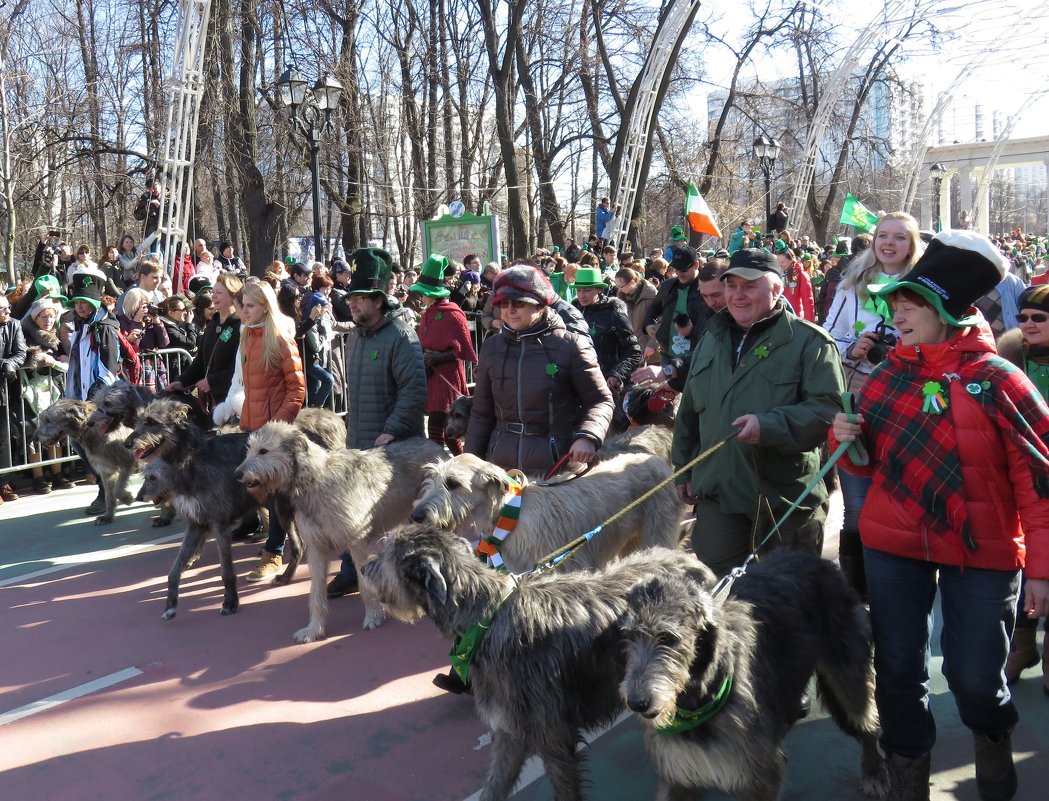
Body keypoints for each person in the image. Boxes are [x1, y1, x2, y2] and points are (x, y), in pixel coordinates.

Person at [829, 230, 1049, 801]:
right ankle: (907, 779)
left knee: (976, 678)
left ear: (945, 312)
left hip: (985, 551)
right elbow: (864, 469)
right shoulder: (885, 378)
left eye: (908, 307)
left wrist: (1043, 572)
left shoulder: (1002, 381)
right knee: (899, 672)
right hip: (893, 546)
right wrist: (846, 441)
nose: (895, 317)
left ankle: (993, 746)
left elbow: (1040, 486)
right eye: (894, 306)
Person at [672, 248, 846, 578]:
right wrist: (683, 466)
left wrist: (769, 426)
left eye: (749, 286)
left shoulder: (811, 343)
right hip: (719, 496)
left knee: (787, 604)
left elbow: (827, 411)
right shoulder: (711, 337)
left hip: (784, 500)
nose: (738, 295)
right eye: (732, 285)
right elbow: (691, 408)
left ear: (777, 290)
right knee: (724, 603)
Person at [822, 212, 924, 596]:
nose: (889, 243)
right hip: (860, 393)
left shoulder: (924, 286)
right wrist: (855, 347)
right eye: (883, 235)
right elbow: (829, 338)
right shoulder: (852, 284)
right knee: (858, 506)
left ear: (912, 245)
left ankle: (900, 587)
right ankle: (858, 594)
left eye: (900, 237)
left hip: (909, 396)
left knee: (902, 501)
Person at [327, 247, 427, 598]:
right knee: (358, 514)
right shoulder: (357, 335)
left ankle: (406, 580)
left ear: (379, 300)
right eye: (351, 297)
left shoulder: (401, 336)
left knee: (397, 521)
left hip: (393, 450)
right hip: (360, 446)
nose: (351, 303)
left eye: (360, 298)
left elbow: (414, 391)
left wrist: (392, 431)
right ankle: (354, 570)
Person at [464, 265, 613, 475]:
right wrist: (469, 463)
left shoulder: (570, 345)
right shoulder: (491, 347)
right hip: (500, 467)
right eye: (504, 304)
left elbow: (600, 400)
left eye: (519, 303)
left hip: (557, 468)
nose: (510, 310)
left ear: (541, 305)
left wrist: (588, 436)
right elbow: (481, 413)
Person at [996, 285, 1049, 693]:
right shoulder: (1007, 365)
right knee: (1023, 561)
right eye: (1024, 317)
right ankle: (1023, 642)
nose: (1027, 324)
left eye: (1039, 318)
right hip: (1018, 480)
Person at [240, 280, 306, 582]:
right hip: (254, 432)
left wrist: (276, 428)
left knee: (276, 495)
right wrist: (246, 420)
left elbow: (297, 389)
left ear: (265, 306)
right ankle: (289, 541)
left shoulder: (279, 338)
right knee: (260, 493)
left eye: (249, 305)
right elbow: (252, 388)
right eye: (242, 304)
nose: (242, 310)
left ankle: (274, 553)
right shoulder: (247, 336)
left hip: (274, 437)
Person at [64, 273, 121, 516]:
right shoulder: (80, 325)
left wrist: (92, 404)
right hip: (80, 398)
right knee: (80, 444)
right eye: (77, 302)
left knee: (95, 447)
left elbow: (108, 371)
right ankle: (105, 488)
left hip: (99, 401)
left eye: (85, 303)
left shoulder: (104, 328)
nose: (79, 307)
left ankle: (106, 492)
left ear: (96, 304)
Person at [410, 254, 478, 452]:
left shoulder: (453, 313)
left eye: (423, 293)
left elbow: (460, 349)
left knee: (443, 428)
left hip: (447, 375)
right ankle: (455, 462)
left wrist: (437, 357)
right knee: (442, 430)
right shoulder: (427, 314)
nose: (421, 297)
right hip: (432, 377)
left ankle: (456, 463)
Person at [167, 273, 242, 415]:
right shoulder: (212, 324)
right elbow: (201, 361)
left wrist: (213, 382)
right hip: (212, 401)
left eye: (219, 293)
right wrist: (182, 381)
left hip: (233, 400)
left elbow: (238, 368)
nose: (213, 296)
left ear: (233, 296)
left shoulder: (241, 326)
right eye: (213, 292)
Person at [642, 246, 712, 386]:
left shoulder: (706, 288)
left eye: (684, 269)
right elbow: (655, 307)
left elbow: (712, 323)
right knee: (663, 396)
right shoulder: (668, 285)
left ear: (696, 265)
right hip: (668, 352)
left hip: (695, 355)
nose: (680, 273)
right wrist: (648, 323)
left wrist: (692, 331)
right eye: (677, 269)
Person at [571, 267, 640, 395]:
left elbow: (633, 351)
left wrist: (617, 374)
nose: (581, 295)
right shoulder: (572, 312)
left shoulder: (613, 312)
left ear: (599, 289)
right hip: (578, 383)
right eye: (579, 290)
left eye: (587, 290)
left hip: (607, 385)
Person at [613, 267, 658, 364]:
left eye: (621, 286)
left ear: (632, 282)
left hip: (650, 351)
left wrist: (653, 344)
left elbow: (661, 322)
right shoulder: (620, 297)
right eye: (617, 286)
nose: (619, 290)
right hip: (630, 352)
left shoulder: (651, 296)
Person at [774, 240, 816, 322]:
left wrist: (809, 323)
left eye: (783, 262)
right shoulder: (776, 273)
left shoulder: (801, 275)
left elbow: (808, 301)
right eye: (778, 262)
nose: (780, 265)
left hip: (793, 317)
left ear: (791, 260)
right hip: (777, 316)